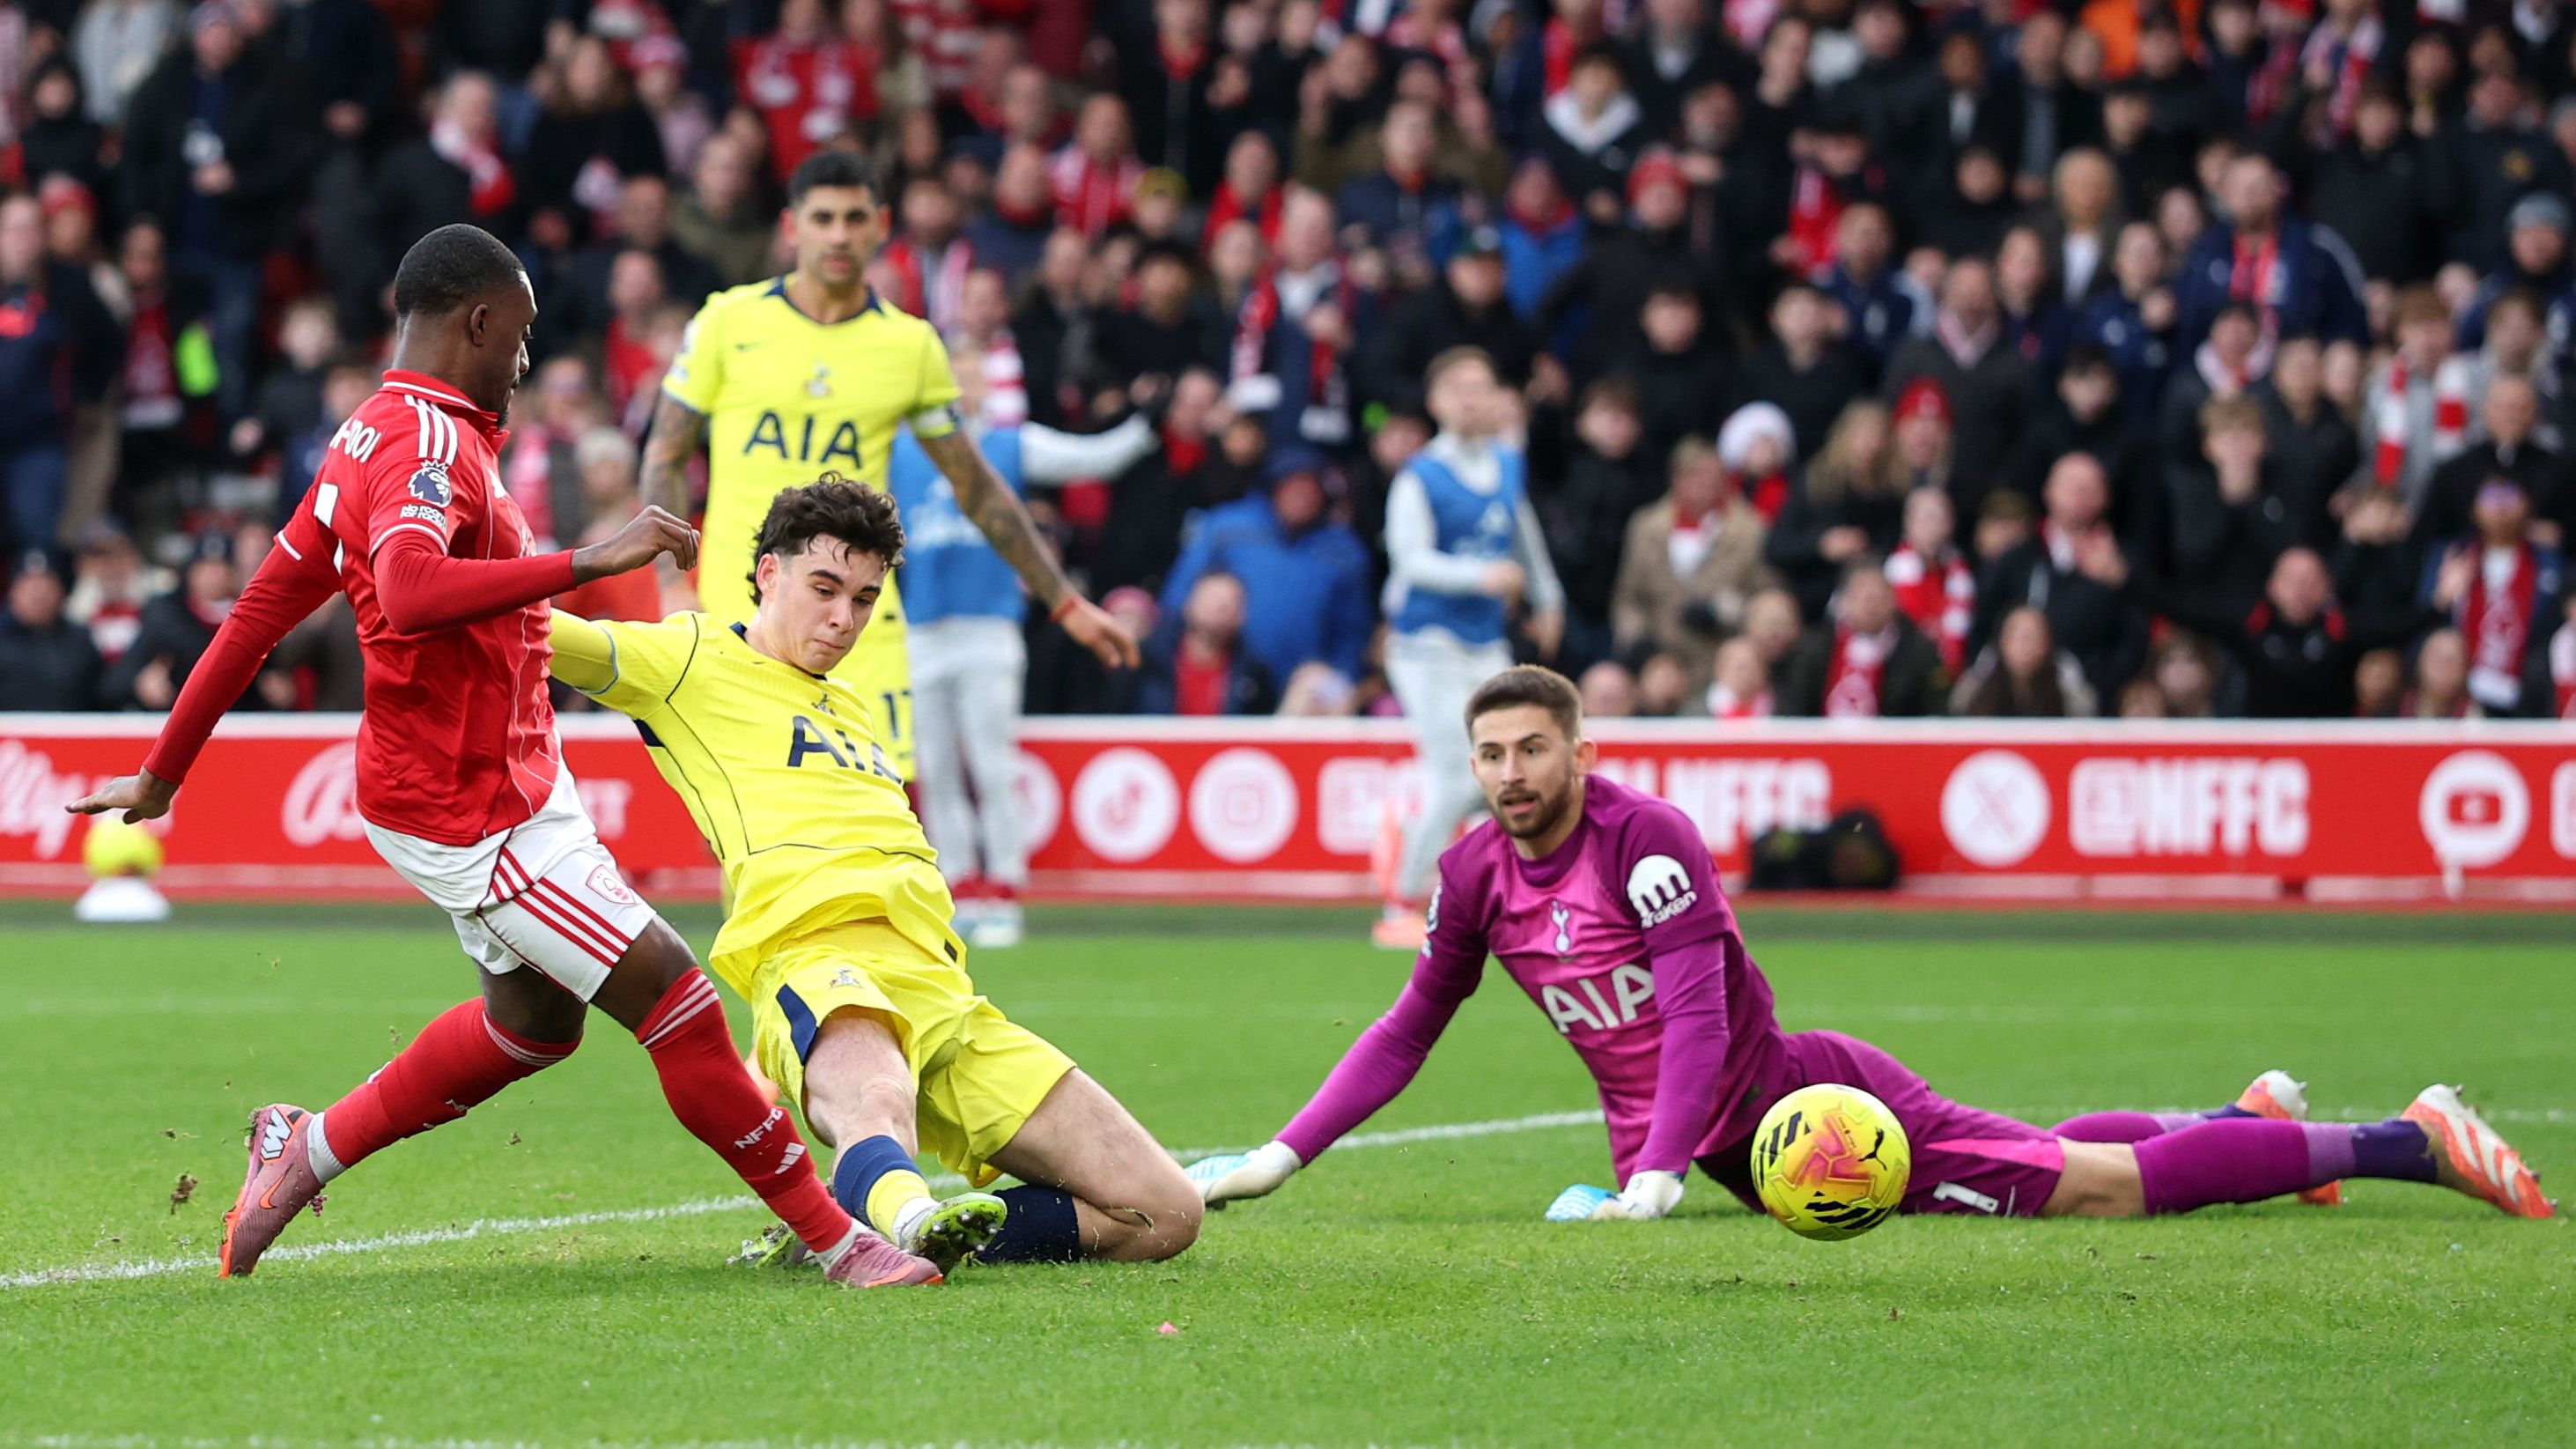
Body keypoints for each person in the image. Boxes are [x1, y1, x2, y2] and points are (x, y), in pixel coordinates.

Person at [64, 225, 923, 1290]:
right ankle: (843, 1242)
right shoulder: (424, 450)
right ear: (477, 322)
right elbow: (415, 593)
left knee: (534, 1024)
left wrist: (165, 770)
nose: (521, 366)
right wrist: (586, 558)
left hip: (507, 775)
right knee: (680, 1004)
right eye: (517, 342)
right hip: (474, 810)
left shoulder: (371, 439)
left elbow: (258, 611)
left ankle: (305, 1145)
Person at [1192, 666, 2553, 1224]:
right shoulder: (1476, 870)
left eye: (1531, 749)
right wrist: (1281, 1152)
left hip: (1802, 1105)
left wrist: (1661, 1164)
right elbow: (1408, 1025)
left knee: (2087, 1190)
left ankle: (2406, 1142)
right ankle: (2240, 1115)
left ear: (1579, 748)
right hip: (1700, 1151)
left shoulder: (1643, 838)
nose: (1507, 773)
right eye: (1487, 754)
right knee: (2025, 1151)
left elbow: (1706, 1019)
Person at [551, 477, 1199, 1276]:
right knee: (875, 1100)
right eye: (824, 588)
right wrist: (474, 562)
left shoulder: (853, 708)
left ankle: (864, 1221)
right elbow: (530, 635)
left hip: (943, 990)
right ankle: (908, 1218)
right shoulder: (688, 658)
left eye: (863, 598)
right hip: (819, 957)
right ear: (766, 574)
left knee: (1165, 1212)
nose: (842, 619)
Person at [642, 151, 1138, 775]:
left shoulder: (910, 346)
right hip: (740, 614)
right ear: (793, 227)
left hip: (856, 626)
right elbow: (664, 455)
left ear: (880, 226)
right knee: (751, 828)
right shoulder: (726, 322)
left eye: (854, 218)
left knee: (873, 820)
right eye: (822, 217)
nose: (839, 234)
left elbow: (977, 489)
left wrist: (1066, 603)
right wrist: (666, 585)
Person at [888, 369, 1159, 949]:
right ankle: (958, 887)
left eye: (968, 377)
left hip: (988, 626)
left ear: (987, 387)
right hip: (922, 629)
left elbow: (1092, 458)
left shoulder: (1009, 445)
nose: (959, 389)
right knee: (933, 767)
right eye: (948, 377)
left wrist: (1143, 425)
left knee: (990, 761)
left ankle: (1005, 888)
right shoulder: (896, 451)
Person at [1377, 346, 1564, 951]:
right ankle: (1400, 898)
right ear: (1434, 402)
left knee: (1506, 766)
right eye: (1457, 387)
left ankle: (1493, 893)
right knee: (1459, 772)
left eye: (1480, 386)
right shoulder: (1419, 476)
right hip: (1426, 644)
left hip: (1485, 640)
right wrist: (1478, 575)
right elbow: (1410, 559)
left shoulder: (1507, 465)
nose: (1470, 397)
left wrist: (1547, 596)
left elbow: (1523, 533)